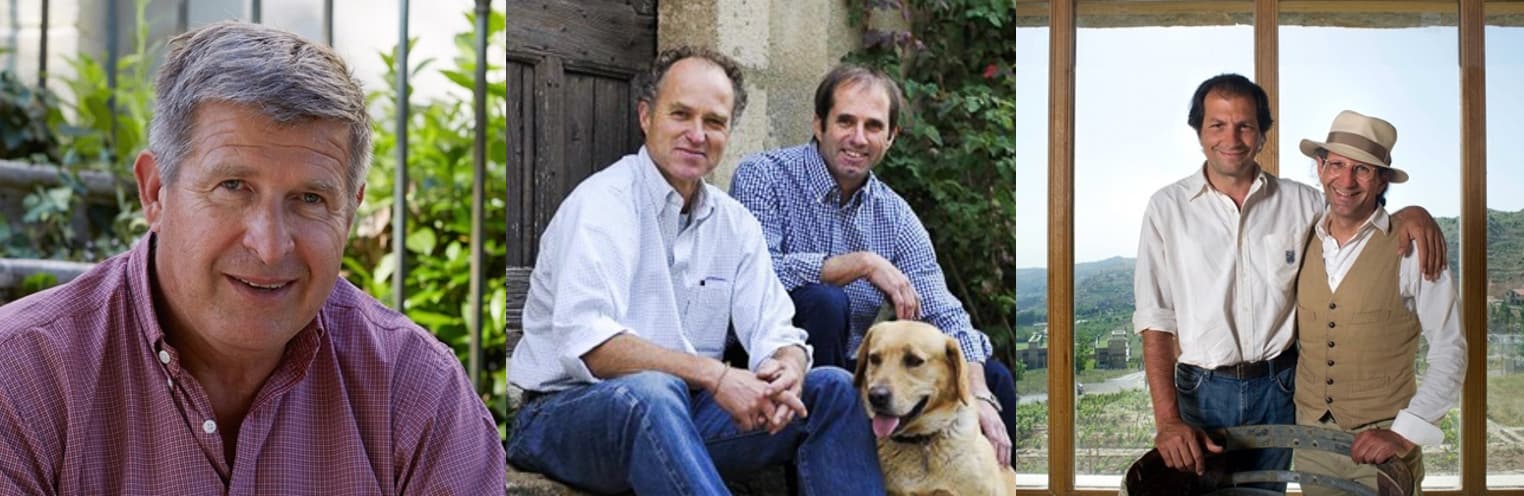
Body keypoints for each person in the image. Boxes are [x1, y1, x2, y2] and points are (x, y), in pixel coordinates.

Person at [0, 22, 503, 494]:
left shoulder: (417, 392)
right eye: (233, 186)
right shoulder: (22, 378)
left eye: (310, 199)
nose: (269, 245)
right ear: (155, 192)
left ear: (348, 215)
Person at [505, 47, 884, 495]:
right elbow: (590, 345)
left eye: (714, 122)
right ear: (646, 116)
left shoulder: (734, 224)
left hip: (679, 417)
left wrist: (788, 367)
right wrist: (717, 376)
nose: (697, 134)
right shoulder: (602, 204)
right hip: (562, 416)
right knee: (653, 392)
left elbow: (776, 327)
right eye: (681, 114)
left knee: (833, 390)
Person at [1132, 74, 1444, 491]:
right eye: (1217, 125)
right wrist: (1168, 420)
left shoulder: (1304, 203)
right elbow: (1156, 319)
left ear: (1262, 135)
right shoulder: (1166, 209)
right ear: (1198, 132)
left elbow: (1357, 209)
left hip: (1280, 387)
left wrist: (1411, 214)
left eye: (1245, 125)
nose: (1232, 138)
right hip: (1201, 393)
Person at [729, 64, 1016, 465]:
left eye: (873, 126)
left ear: (890, 137)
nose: (858, 138)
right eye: (845, 121)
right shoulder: (764, 176)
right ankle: (822, 461)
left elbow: (943, 311)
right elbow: (754, 274)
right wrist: (859, 264)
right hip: (766, 360)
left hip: (854, 368)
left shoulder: (895, 216)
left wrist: (980, 393)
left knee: (993, 378)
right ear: (818, 124)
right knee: (825, 302)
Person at [1292, 110, 1464, 495]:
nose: (1346, 181)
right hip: (1312, 446)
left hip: (1382, 450)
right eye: (1336, 164)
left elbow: (1450, 350)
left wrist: (1404, 435)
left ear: (1382, 179)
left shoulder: (1413, 247)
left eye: (1363, 170)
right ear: (1320, 168)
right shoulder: (1300, 235)